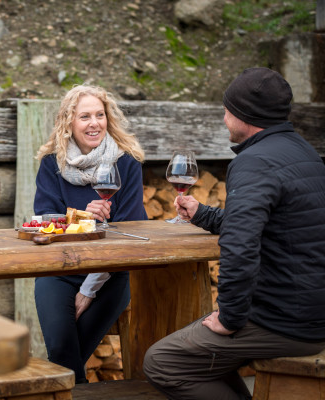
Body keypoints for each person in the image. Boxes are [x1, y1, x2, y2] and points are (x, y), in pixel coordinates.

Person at [143, 67, 325, 400]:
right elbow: (272, 227)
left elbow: (240, 247)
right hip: (311, 309)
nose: (225, 117)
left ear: (246, 115)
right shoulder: (305, 153)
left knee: (162, 361)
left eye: (229, 109)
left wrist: (230, 318)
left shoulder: (254, 162)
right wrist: (204, 214)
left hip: (287, 322)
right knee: (200, 349)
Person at [33, 85, 147, 383]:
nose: (94, 123)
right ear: (69, 122)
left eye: (100, 115)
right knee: (62, 351)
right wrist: (85, 215)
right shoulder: (52, 164)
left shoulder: (126, 163)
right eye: (84, 116)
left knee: (64, 359)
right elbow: (46, 221)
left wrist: (89, 289)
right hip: (58, 269)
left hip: (109, 274)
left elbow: (129, 230)